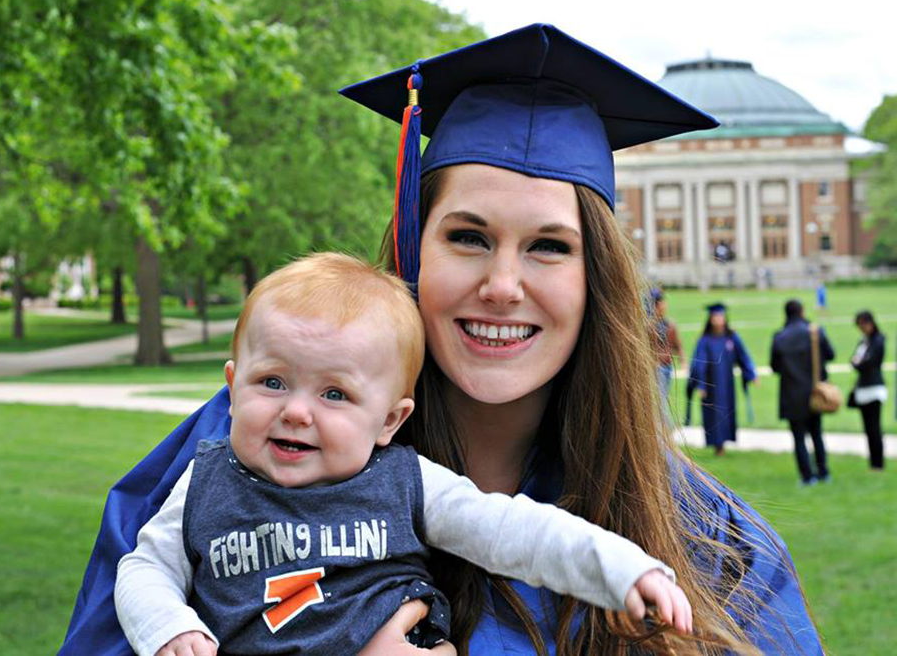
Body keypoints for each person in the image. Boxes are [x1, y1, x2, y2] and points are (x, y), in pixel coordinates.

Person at [61, 25, 823, 655]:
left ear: (598, 280)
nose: (502, 284)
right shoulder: (235, 456)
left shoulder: (704, 539)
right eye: (467, 236)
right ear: (412, 248)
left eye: (549, 247)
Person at [114, 252, 688, 656]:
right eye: (271, 383)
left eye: (334, 394)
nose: (296, 411)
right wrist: (167, 626)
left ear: (390, 420)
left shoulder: (405, 483)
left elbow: (512, 530)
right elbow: (144, 567)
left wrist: (621, 569)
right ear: (232, 385)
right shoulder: (205, 482)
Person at [770, 300, 835, 484]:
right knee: (816, 433)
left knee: (798, 437)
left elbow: (775, 367)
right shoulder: (815, 332)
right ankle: (823, 472)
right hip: (814, 392)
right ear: (802, 311)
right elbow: (830, 354)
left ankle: (807, 476)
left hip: (791, 394)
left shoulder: (780, 337)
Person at [688, 303, 758, 456]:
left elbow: (743, 357)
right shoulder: (705, 340)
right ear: (710, 319)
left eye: (721, 316)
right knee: (714, 414)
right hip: (711, 385)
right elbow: (699, 363)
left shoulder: (731, 338)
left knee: (726, 412)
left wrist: (751, 374)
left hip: (727, 384)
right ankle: (718, 446)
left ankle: (724, 444)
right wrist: (701, 384)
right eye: (715, 316)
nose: (718, 319)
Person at [850, 310, 887, 470]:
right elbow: (854, 361)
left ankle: (878, 463)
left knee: (874, 428)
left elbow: (868, 363)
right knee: (868, 429)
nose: (862, 328)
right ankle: (873, 462)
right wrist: (858, 363)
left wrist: (858, 363)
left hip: (874, 389)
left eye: (863, 324)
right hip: (862, 389)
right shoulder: (863, 341)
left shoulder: (878, 340)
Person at [649, 287, 683, 422]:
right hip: (656, 368)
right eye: (662, 302)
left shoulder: (669, 324)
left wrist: (683, 360)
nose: (665, 305)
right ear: (655, 305)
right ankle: (665, 429)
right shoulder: (649, 326)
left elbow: (677, 344)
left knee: (663, 397)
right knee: (661, 400)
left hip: (667, 367)